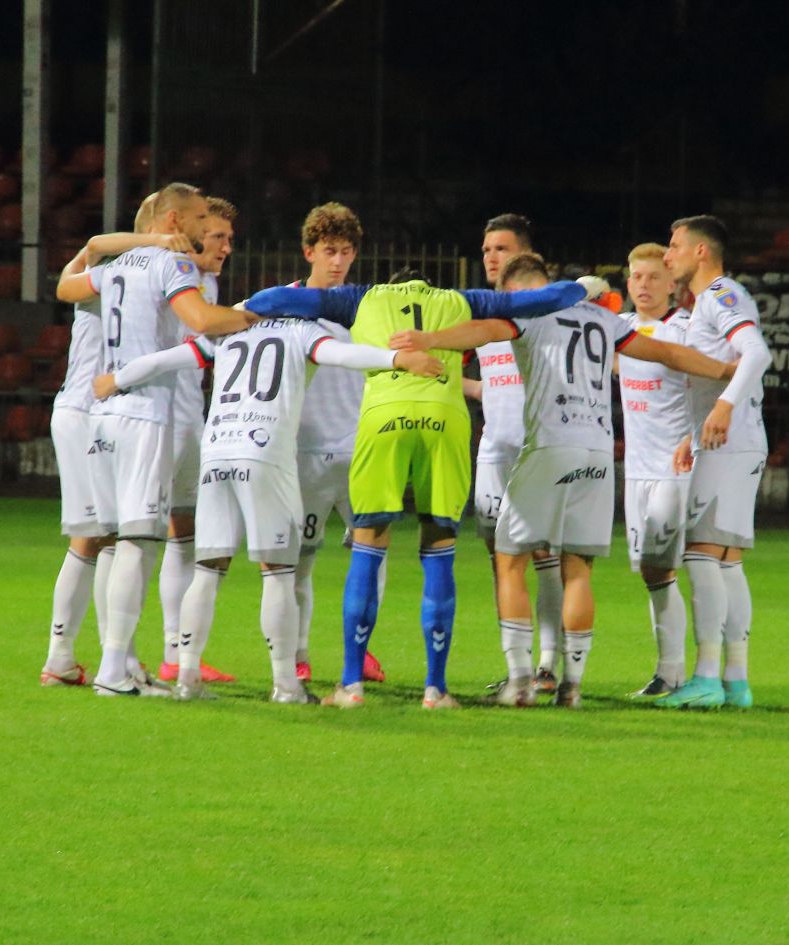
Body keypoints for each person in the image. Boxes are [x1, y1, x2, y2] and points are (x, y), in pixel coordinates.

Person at [390, 253, 735, 708]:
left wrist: (429, 339)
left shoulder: (530, 313)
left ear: (519, 292)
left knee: (509, 559)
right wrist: (728, 372)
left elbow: (483, 330)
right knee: (578, 569)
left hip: (550, 447)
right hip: (597, 453)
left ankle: (519, 681)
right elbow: (668, 354)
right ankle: (572, 686)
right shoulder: (602, 318)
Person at [242, 271, 588, 708]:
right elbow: (549, 298)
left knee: (368, 543)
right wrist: (585, 287)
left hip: (383, 416)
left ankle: (351, 686)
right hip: (444, 417)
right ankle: (435, 689)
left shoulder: (359, 298)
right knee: (439, 547)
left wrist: (235, 311)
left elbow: (271, 299)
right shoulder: (462, 300)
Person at [91, 307, 442, 703]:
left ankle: (187, 677)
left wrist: (115, 379)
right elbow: (342, 355)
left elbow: (163, 360)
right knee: (279, 572)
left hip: (216, 452)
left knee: (207, 570)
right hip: (264, 451)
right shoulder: (301, 329)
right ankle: (286, 684)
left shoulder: (230, 329)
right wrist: (397, 359)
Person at [55, 182, 256, 697]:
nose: (206, 229)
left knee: (111, 541)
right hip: (142, 412)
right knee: (137, 542)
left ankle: (114, 661)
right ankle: (113, 670)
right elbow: (200, 321)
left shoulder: (117, 266)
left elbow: (66, 288)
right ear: (173, 221)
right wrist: (258, 317)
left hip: (106, 414)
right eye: (200, 219)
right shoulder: (173, 264)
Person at [39, 222, 193, 686]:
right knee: (106, 539)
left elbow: (78, 266)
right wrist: (156, 243)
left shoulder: (111, 274)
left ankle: (93, 659)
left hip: (85, 409)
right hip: (91, 408)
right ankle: (96, 661)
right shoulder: (133, 272)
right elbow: (91, 249)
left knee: (102, 539)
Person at [658, 215, 773, 710]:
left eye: (674, 245)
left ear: (701, 251)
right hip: (735, 441)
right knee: (726, 561)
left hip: (731, 441)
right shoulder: (712, 300)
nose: (668, 255)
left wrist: (723, 407)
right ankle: (735, 680)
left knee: (701, 555)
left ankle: (705, 677)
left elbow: (756, 353)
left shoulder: (720, 295)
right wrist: (694, 431)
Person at [291, 203, 388, 685]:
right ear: (309, 251)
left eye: (346, 252)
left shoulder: (366, 309)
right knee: (299, 562)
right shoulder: (285, 303)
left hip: (359, 452)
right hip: (303, 453)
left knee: (373, 554)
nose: (338, 261)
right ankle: (298, 653)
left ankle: (361, 648)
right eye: (329, 251)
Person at [473, 214, 565, 692]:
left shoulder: (549, 313)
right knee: (501, 559)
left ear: (526, 256)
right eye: (487, 249)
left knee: (545, 554)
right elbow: (491, 383)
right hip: (494, 452)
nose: (492, 257)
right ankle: (517, 667)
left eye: (502, 249)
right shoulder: (482, 312)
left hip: (537, 450)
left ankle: (547, 664)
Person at [156, 196, 239, 685]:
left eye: (229, 239)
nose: (226, 247)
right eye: (217, 237)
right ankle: (116, 657)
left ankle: (175, 652)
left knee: (183, 532)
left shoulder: (206, 281)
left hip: (189, 415)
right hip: (156, 417)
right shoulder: (172, 272)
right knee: (131, 537)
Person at [617, 242, 692, 700]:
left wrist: (694, 436)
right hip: (636, 472)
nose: (643, 285)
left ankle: (678, 671)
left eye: (653, 277)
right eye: (636, 277)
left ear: (670, 284)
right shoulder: (620, 328)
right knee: (653, 573)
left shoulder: (684, 330)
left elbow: (710, 383)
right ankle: (669, 673)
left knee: (662, 565)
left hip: (674, 469)